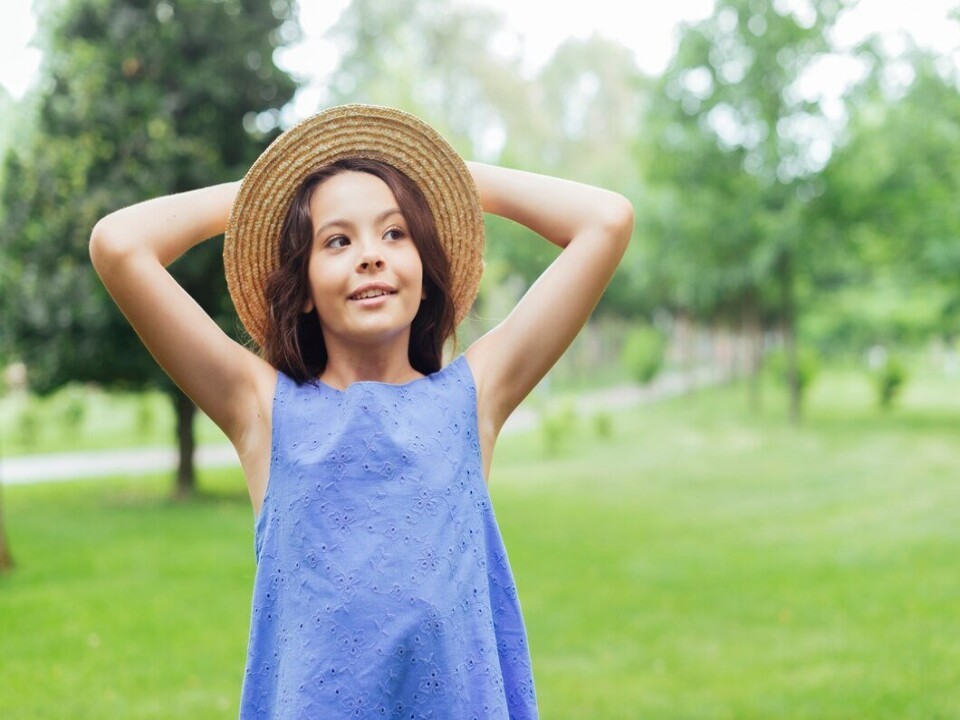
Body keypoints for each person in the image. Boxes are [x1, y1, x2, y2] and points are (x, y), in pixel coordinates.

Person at [89, 104, 633, 719]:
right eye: (337, 240)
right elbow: (118, 243)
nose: (371, 255)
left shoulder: (473, 396)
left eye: (396, 232)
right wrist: (278, 188)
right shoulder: (263, 411)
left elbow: (607, 220)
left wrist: (440, 177)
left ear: (425, 273)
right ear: (301, 287)